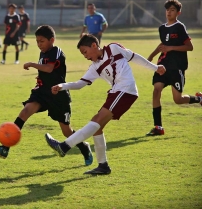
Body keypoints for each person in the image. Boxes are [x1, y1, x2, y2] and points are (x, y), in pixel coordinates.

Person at [45, 34, 166, 175]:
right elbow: (80, 84)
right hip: (116, 92)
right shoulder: (95, 67)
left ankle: (64, 146)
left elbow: (134, 57)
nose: (85, 56)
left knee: (96, 121)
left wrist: (155, 67)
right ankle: (103, 166)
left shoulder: (114, 48)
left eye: (85, 51)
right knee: (97, 127)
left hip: (126, 90)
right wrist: (62, 86)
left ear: (94, 46)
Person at [0, 25, 93, 166]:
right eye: (37, 41)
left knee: (66, 131)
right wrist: (40, 80)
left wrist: (32, 64)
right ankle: (5, 148)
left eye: (42, 41)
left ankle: (84, 147)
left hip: (59, 95)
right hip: (42, 92)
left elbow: (49, 68)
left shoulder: (56, 51)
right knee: (25, 112)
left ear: (52, 40)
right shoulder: (43, 53)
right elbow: (45, 72)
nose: (39, 45)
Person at [146, 0, 202, 136]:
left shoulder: (179, 27)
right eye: (167, 10)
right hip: (163, 65)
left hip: (177, 67)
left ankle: (200, 100)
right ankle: (158, 127)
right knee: (156, 91)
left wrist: (171, 48)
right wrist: (151, 56)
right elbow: (163, 44)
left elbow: (189, 47)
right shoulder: (162, 28)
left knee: (178, 99)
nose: (169, 12)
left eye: (172, 10)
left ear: (178, 13)